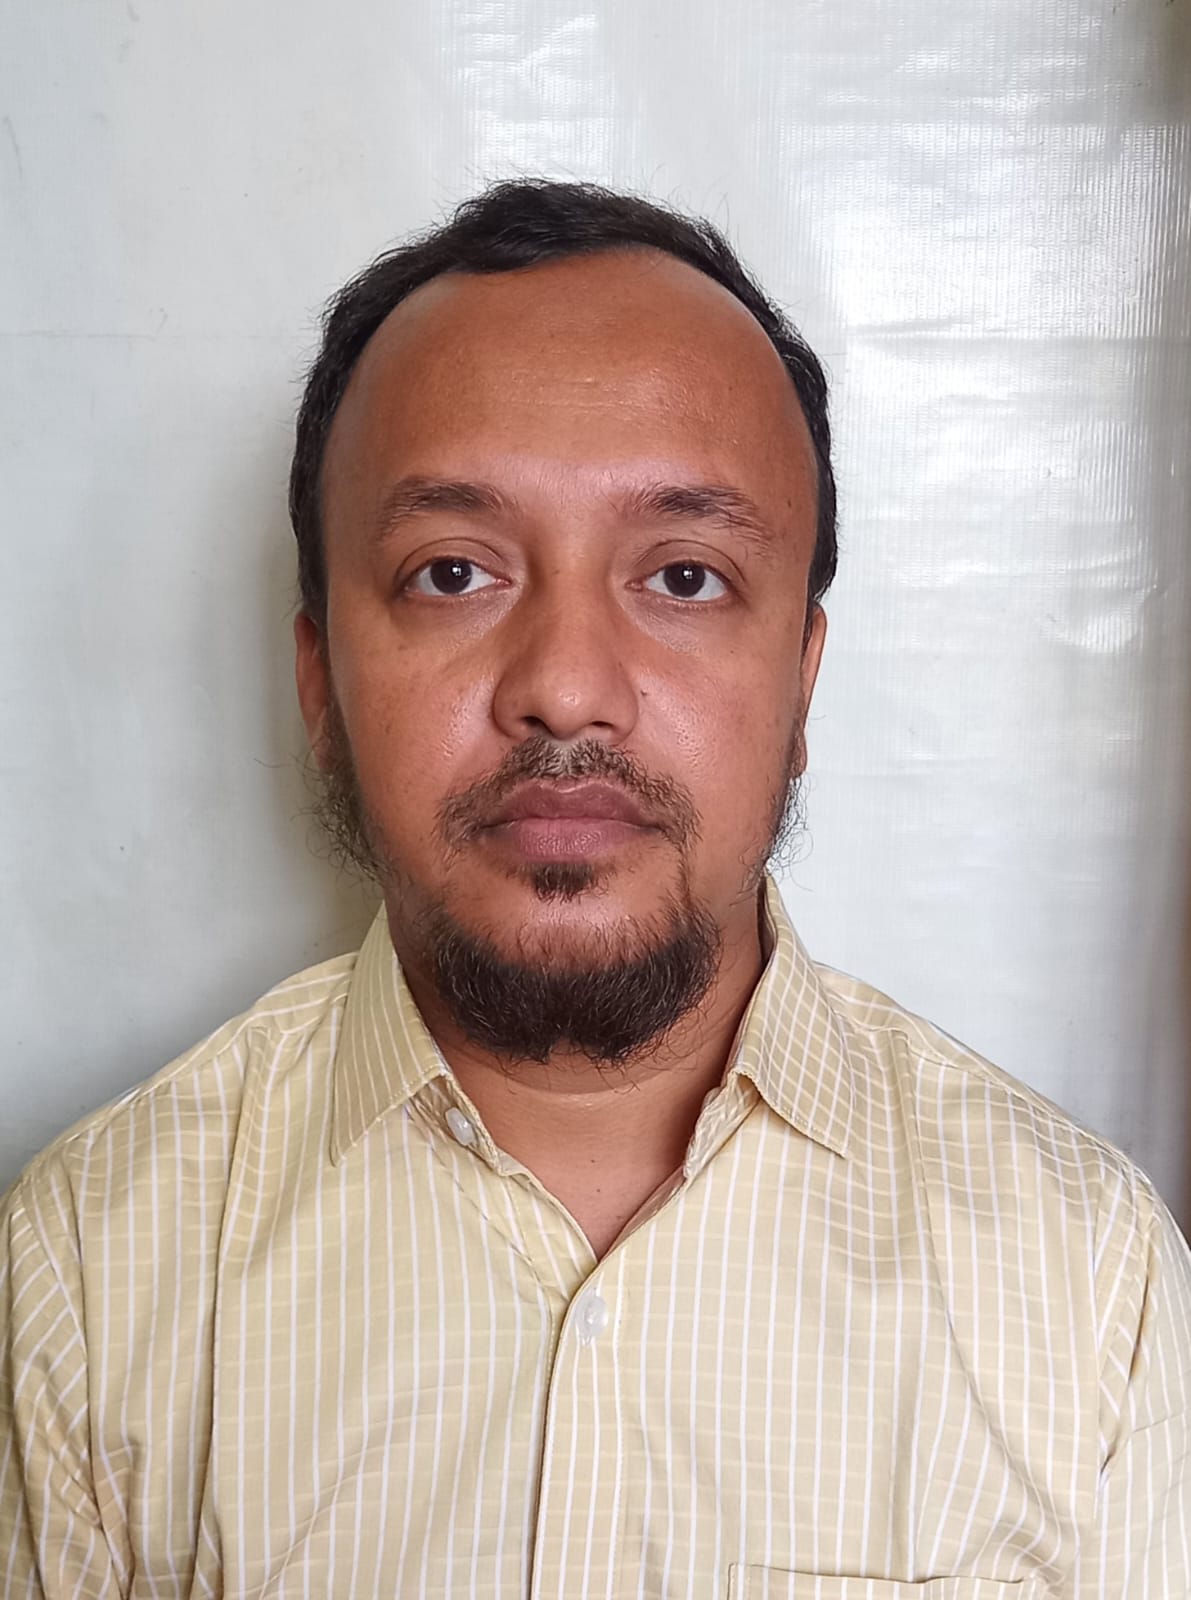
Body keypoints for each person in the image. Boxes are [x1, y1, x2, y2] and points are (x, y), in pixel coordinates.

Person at [2, 181, 1188, 1600]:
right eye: (453, 572)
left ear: (801, 684)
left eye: (684, 577)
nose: (566, 686)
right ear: (320, 685)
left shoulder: (1089, 1282)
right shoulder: (90, 1267)